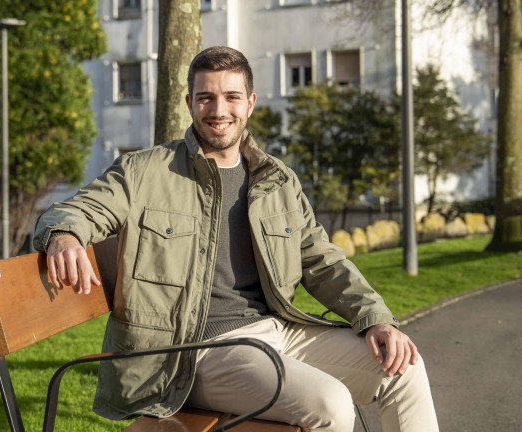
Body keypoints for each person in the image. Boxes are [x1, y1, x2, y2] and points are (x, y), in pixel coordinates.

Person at [34, 46, 438, 431]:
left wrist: (376, 320)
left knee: (404, 367)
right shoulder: (145, 172)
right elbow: (78, 208)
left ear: (250, 102)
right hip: (193, 352)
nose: (219, 110)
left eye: (231, 96)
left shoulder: (275, 179)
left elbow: (322, 260)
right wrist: (66, 234)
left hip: (278, 332)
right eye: (206, 97)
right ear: (190, 104)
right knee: (330, 402)